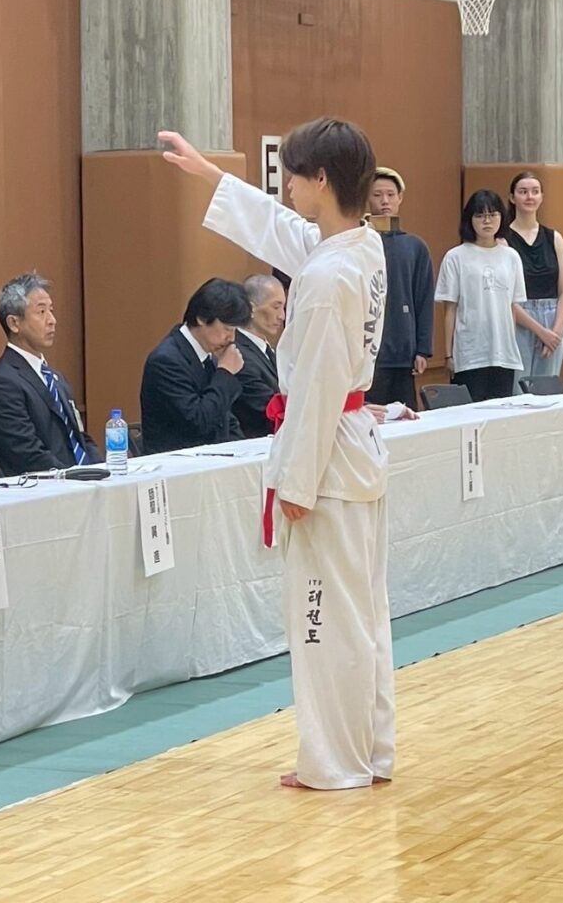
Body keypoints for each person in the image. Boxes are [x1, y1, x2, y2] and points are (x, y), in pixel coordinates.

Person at [159, 118, 394, 791]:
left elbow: (316, 386)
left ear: (320, 178)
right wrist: (210, 174)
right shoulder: (359, 247)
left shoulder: (326, 278)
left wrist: (295, 482)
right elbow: (286, 232)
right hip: (352, 450)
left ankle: (336, 761)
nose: (286, 185)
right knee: (362, 615)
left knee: (325, 619)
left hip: (327, 460)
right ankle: (369, 751)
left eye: (293, 174)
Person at [0, 273, 102, 476]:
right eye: (41, 312)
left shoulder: (56, 378)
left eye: (51, 310)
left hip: (81, 482)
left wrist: (102, 470)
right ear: (14, 323)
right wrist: (77, 477)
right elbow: (27, 455)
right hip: (49, 486)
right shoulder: (1, 384)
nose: (52, 320)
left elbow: (80, 438)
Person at [139, 278, 250, 455]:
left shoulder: (209, 356)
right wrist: (225, 373)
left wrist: (244, 451)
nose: (231, 338)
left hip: (212, 460)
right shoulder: (166, 361)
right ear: (202, 318)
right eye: (227, 329)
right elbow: (199, 422)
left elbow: (225, 419)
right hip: (175, 462)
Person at [436, 190, 527, 402]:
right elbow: (450, 310)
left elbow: (512, 307)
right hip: (469, 353)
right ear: (470, 219)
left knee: (502, 414)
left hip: (504, 354)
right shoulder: (455, 257)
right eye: (480, 215)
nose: (487, 221)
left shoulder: (511, 257)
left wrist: (510, 344)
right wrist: (448, 354)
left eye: (493, 214)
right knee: (470, 413)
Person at [365, 168, 434, 407]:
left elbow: (423, 299)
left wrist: (422, 349)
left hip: (403, 353)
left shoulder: (414, 246)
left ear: (400, 198)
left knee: (405, 416)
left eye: (390, 195)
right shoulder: (359, 243)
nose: (384, 201)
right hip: (368, 354)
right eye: (377, 195)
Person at [504, 173, 563, 391]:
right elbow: (507, 297)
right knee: (519, 389)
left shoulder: (554, 238)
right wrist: (540, 332)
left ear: (542, 197)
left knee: (547, 391)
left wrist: (556, 332)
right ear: (512, 197)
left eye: (535, 191)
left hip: (552, 317)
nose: (529, 197)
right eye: (523, 192)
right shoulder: (503, 240)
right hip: (520, 319)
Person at [233, 274, 284, 439]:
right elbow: (269, 407)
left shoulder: (267, 349)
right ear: (251, 308)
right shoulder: (238, 355)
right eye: (276, 307)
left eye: (283, 308)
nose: (282, 316)